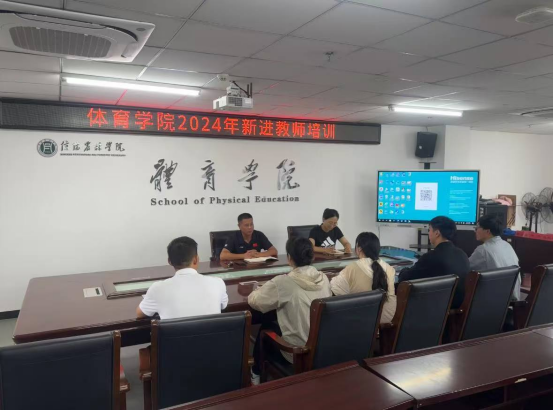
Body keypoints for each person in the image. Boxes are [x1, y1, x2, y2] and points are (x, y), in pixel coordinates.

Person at [248, 237, 332, 385]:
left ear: (289, 258)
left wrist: (257, 290)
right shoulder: (324, 278)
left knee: (266, 327)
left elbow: (255, 301)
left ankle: (255, 373)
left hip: (296, 353)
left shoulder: (284, 282)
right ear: (312, 256)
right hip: (322, 348)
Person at [137, 237, 229, 320]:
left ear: (169, 261)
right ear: (196, 259)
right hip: (212, 334)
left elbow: (140, 314)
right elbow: (223, 306)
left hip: (175, 334)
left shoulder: (157, 288)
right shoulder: (217, 282)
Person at [398, 216, 470, 308]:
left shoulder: (431, 257)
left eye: (429, 230)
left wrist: (403, 270)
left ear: (437, 233)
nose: (429, 233)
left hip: (434, 309)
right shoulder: (462, 254)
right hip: (456, 308)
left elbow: (405, 279)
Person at [331, 232, 397, 324]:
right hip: (387, 318)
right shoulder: (389, 268)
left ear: (359, 249)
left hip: (362, 322)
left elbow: (334, 289)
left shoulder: (353, 268)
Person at [470, 215, 521, 301]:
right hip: (512, 299)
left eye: (477, 228)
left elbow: (466, 269)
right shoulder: (507, 245)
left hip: (495, 300)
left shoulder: (483, 250)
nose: (475, 230)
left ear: (487, 231)